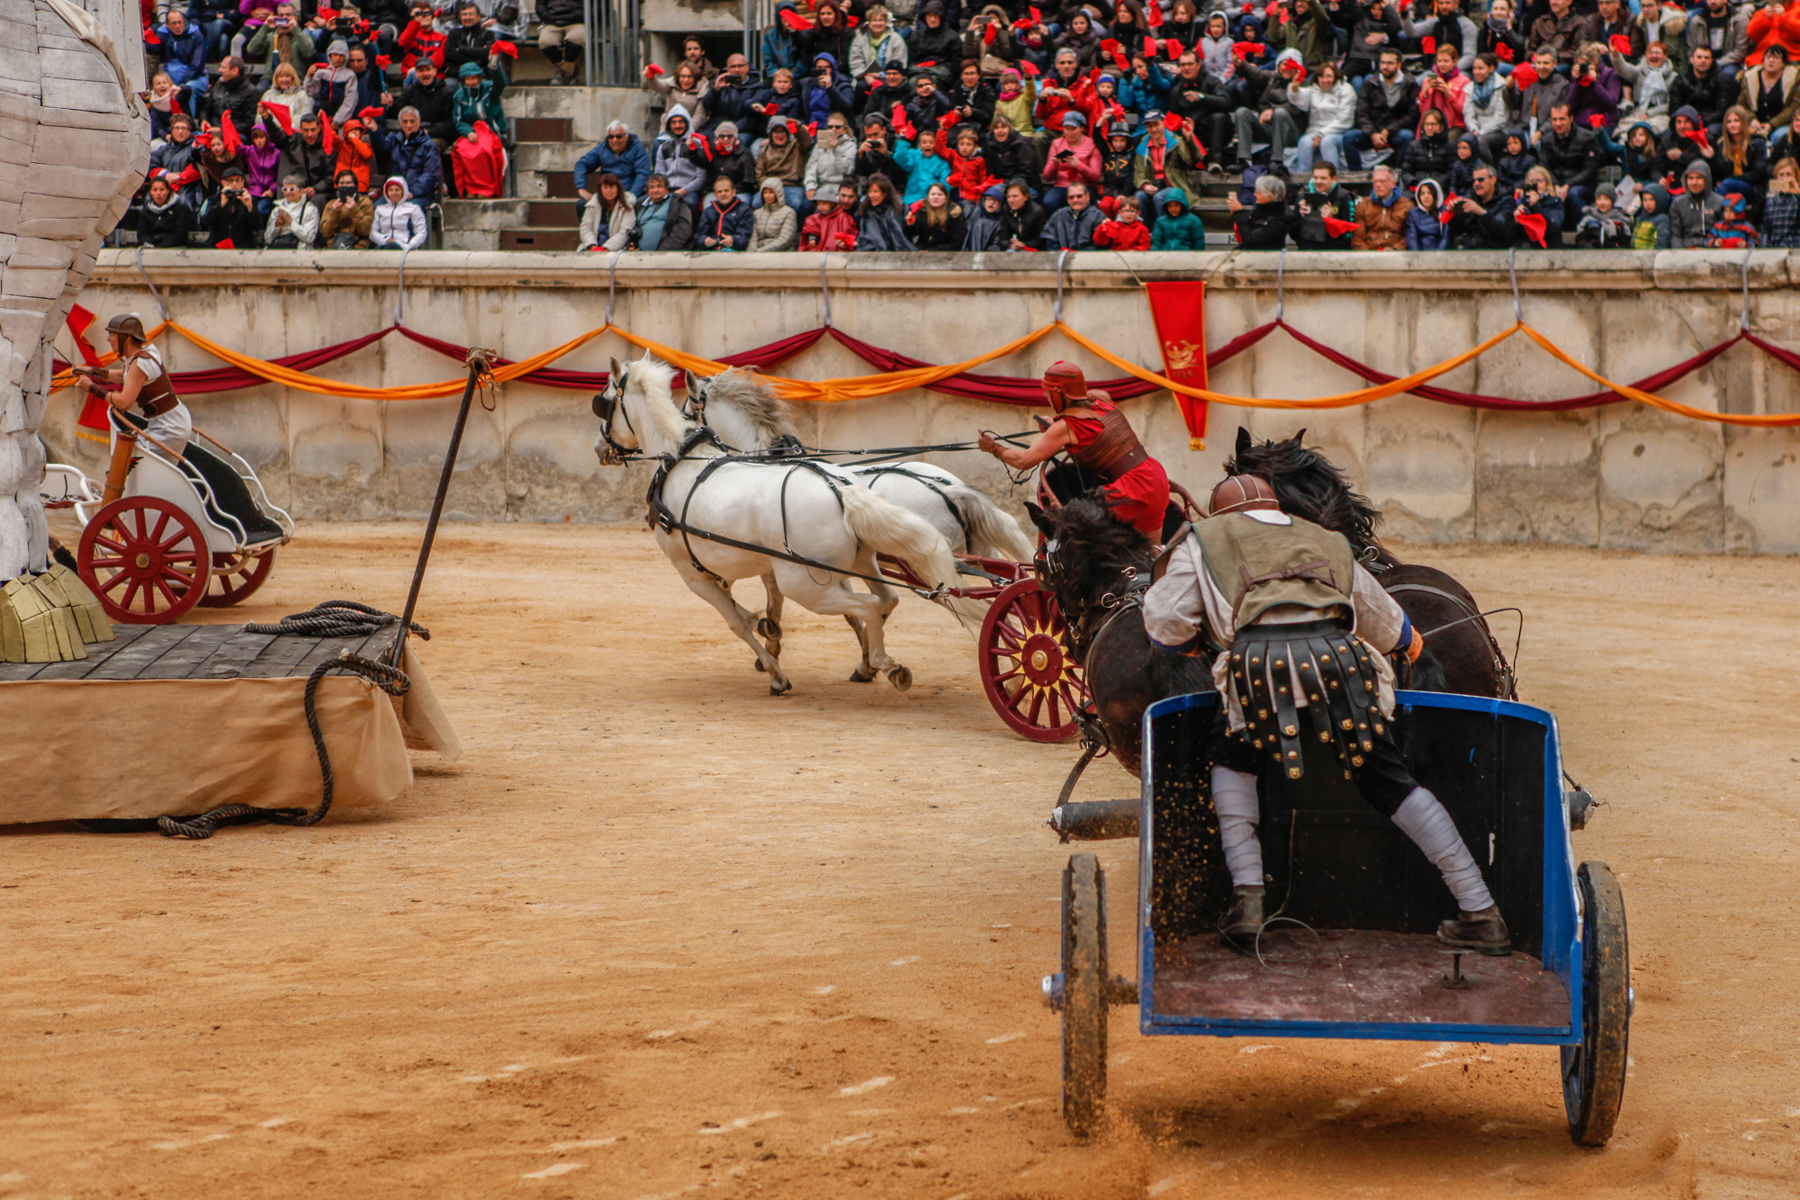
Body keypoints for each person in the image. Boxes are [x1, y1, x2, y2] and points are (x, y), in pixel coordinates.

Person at [1139, 472, 1509, 954]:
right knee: (1390, 782)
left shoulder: (1203, 540)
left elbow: (1164, 625)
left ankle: (1248, 901)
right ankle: (1480, 911)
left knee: (1233, 761)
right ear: (1278, 508)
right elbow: (1391, 627)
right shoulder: (1325, 539)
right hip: (1341, 667)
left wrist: (1204, 642)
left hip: (1256, 671)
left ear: (1222, 514)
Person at [977, 362, 1171, 541]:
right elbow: (1098, 395)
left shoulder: (1067, 427)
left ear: (1058, 394)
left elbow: (1023, 460)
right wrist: (1055, 422)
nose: (1045, 397)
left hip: (1132, 487)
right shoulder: (1102, 401)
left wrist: (993, 447)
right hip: (1154, 475)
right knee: (1151, 555)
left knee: (1072, 532)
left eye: (1047, 393)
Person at [79, 314, 194, 460]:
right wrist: (93, 371)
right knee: (127, 459)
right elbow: (127, 377)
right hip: (171, 422)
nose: (108, 339)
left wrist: (92, 388)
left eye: (112, 335)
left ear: (125, 337)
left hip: (169, 428)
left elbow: (124, 402)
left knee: (126, 458)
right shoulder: (144, 353)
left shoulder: (140, 363)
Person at [1230, 50, 1308, 171]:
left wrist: (1272, 110)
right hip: (1267, 128)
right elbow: (1256, 74)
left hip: (1290, 132)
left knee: (1280, 113)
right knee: (1242, 112)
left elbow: (1298, 108)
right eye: (1284, 64)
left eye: (1291, 65)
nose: (1287, 68)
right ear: (1278, 65)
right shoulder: (1272, 78)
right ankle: (1244, 160)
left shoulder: (1304, 83)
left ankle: (1277, 161)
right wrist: (1240, 63)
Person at [1346, 48, 1418, 168]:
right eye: (1383, 62)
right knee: (1349, 138)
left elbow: (1412, 115)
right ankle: (1356, 181)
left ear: (1399, 65)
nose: (1385, 66)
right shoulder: (1370, 84)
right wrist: (1373, 133)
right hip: (1373, 132)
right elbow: (1362, 113)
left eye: (1390, 63)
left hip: (1395, 132)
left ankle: (1400, 176)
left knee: (1408, 136)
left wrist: (1388, 130)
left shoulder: (1410, 84)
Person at [1290, 61, 1357, 171]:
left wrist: (1321, 134)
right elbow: (1300, 100)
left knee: (1327, 142)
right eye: (1321, 76)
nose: (1325, 80)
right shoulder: (1314, 89)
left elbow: (1344, 119)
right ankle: (1302, 182)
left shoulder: (1346, 90)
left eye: (1328, 76)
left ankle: (1332, 180)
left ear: (1336, 77)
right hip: (1314, 131)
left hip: (1339, 133)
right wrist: (1295, 88)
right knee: (1304, 142)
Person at [577, 121, 652, 205]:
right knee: (581, 204)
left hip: (630, 192)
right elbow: (581, 164)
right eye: (611, 137)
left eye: (619, 136)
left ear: (626, 137)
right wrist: (581, 188)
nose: (614, 140)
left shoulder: (638, 149)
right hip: (607, 193)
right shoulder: (602, 148)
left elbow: (643, 174)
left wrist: (633, 195)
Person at [1042, 111, 1102, 209]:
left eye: (1073, 129)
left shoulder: (1092, 145)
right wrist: (1054, 165)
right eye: (1067, 129)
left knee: (1086, 201)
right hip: (1062, 186)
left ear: (1081, 128)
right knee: (1049, 202)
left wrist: (1079, 166)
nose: (1069, 133)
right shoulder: (1057, 144)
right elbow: (1047, 176)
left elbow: (1096, 176)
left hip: (1084, 187)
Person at [1290, 161, 1357, 248]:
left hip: (1334, 252)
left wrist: (1331, 220)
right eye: (1316, 177)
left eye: (1323, 178)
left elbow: (1349, 235)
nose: (1318, 181)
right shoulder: (1303, 198)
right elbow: (1293, 235)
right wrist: (1301, 217)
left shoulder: (1344, 197)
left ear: (1333, 178)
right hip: (1306, 251)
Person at [1352, 163, 1411, 249]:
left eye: (1382, 181)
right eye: (1375, 181)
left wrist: (1395, 249)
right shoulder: (1363, 206)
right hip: (1369, 254)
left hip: (1396, 255)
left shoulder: (1406, 206)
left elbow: (1409, 237)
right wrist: (1367, 255)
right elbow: (1357, 238)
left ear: (1393, 184)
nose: (1378, 185)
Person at [629, 174, 695, 250]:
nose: (655, 190)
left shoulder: (678, 204)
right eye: (652, 187)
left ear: (667, 189)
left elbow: (683, 231)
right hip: (640, 257)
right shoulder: (639, 206)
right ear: (648, 191)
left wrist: (662, 252)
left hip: (667, 256)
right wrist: (633, 245)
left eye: (659, 186)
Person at [1228, 172, 1293, 247]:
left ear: (1268, 197)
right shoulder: (1259, 208)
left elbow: (1250, 239)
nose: (1254, 194)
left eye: (1258, 192)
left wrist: (1239, 213)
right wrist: (1236, 214)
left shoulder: (1280, 219)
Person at [1669, 158, 1723, 246]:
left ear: (1707, 180)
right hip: (1686, 252)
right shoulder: (1678, 203)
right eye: (1690, 178)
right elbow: (1676, 236)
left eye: (1699, 178)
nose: (1694, 182)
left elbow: (1724, 235)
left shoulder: (1720, 202)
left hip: (1712, 251)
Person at [855, 172, 915, 249]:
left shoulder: (900, 208)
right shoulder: (864, 211)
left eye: (875, 191)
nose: (872, 195)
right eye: (870, 191)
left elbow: (909, 234)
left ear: (884, 193)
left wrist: (910, 224)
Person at [204, 166, 261, 246]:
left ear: (242, 182)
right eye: (230, 180)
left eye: (237, 180)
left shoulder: (250, 200)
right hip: (218, 245)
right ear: (223, 182)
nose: (234, 184)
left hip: (242, 246)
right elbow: (207, 222)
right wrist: (221, 204)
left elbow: (257, 227)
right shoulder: (214, 199)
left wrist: (249, 207)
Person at [370, 175, 430, 249]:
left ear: (403, 191)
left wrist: (410, 245)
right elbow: (373, 233)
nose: (394, 193)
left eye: (397, 190)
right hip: (384, 245)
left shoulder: (413, 208)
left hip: (404, 246)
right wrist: (387, 240)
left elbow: (422, 232)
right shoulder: (380, 209)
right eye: (391, 190)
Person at [319, 169, 376, 247]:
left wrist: (355, 210)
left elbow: (366, 230)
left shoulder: (365, 202)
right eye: (342, 183)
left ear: (355, 185)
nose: (345, 185)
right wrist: (335, 212)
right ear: (338, 186)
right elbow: (325, 232)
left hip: (357, 246)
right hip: (335, 245)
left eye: (348, 183)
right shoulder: (331, 204)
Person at [135, 176, 196, 249]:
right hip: (151, 250)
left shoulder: (181, 209)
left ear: (168, 191)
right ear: (150, 192)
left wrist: (161, 248)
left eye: (162, 189)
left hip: (175, 248)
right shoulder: (145, 212)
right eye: (155, 190)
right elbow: (142, 234)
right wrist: (148, 245)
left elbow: (180, 234)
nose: (158, 193)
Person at [1040, 180, 1102, 248]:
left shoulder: (1098, 216)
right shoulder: (1058, 215)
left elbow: (1099, 245)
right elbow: (1049, 239)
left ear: (1088, 196)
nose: (1075, 200)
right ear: (1067, 199)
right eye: (1071, 197)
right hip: (1060, 256)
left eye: (1079, 196)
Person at [536, 0, 586, 83]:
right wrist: (548, 17)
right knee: (545, 42)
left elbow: (597, 7)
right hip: (552, 22)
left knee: (576, 39)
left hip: (577, 21)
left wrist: (580, 16)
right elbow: (540, 6)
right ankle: (571, 71)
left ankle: (562, 73)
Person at [263, 174, 320, 247]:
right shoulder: (277, 209)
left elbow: (309, 237)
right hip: (278, 248)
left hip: (300, 251)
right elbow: (267, 238)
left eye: (292, 189)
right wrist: (277, 226)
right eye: (285, 189)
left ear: (301, 191)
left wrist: (290, 222)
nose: (288, 192)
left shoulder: (311, 210)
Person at [906, 181, 966, 248]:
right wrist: (910, 224)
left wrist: (931, 252)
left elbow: (957, 242)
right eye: (933, 194)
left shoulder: (955, 212)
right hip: (922, 249)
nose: (936, 197)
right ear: (928, 197)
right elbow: (910, 235)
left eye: (940, 194)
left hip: (946, 252)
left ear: (946, 198)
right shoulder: (921, 210)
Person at [801, 182, 861, 249]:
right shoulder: (813, 218)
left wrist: (847, 242)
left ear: (832, 203)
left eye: (824, 203)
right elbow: (811, 232)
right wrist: (813, 239)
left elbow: (852, 235)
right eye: (819, 203)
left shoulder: (847, 217)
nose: (846, 200)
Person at [1573, 180, 1631, 246]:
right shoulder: (1588, 219)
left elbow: (1625, 244)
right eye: (1599, 199)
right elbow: (1580, 241)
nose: (1602, 202)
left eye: (1606, 199)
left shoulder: (1621, 220)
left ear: (1612, 201)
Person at [749, 177, 799, 250]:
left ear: (778, 193)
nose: (767, 196)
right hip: (758, 253)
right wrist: (751, 253)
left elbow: (785, 240)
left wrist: (762, 251)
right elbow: (753, 238)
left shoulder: (789, 213)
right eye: (765, 192)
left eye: (771, 192)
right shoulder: (756, 213)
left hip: (781, 254)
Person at [998, 177, 1049, 249]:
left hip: (1032, 250)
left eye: (1015, 196)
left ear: (1026, 197)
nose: (1011, 200)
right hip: (1012, 249)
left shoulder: (1037, 212)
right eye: (1009, 197)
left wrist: (1024, 245)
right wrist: (1010, 245)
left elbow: (1042, 241)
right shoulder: (1006, 210)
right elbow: (1002, 239)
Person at [1762, 157, 1800, 246]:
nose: (1785, 178)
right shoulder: (1771, 201)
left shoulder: (1797, 198)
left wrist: (1798, 194)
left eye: (1788, 174)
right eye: (1781, 175)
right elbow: (1766, 229)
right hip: (1775, 247)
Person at [1403, 177, 1449, 248]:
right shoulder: (1413, 213)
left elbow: (1446, 238)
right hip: (1420, 254)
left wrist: (1439, 255)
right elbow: (1412, 238)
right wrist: (1418, 257)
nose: (1426, 197)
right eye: (1423, 193)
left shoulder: (1445, 211)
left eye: (1429, 193)